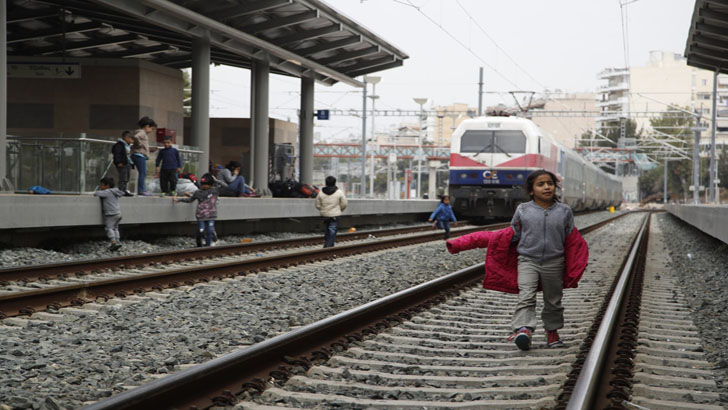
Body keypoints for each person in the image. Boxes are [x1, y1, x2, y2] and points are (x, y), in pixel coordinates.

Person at [445, 169, 588, 351]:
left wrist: (576, 263)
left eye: (549, 184)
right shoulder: (523, 210)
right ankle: (524, 329)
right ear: (531, 190)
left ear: (555, 187)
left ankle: (552, 332)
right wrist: (462, 243)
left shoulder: (564, 211)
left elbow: (571, 240)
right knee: (526, 296)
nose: (546, 187)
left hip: (554, 262)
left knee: (553, 300)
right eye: (540, 184)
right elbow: (511, 234)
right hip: (527, 260)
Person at [173, 174, 219, 247]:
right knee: (201, 230)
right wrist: (179, 200)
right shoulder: (198, 192)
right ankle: (199, 243)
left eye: (206, 184)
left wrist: (216, 180)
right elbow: (190, 199)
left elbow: (224, 186)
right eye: (203, 184)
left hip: (211, 215)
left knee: (210, 231)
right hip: (201, 215)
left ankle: (208, 247)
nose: (204, 186)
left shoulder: (214, 191)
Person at [315, 176, 348, 248]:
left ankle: (329, 244)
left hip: (324, 215)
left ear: (326, 183)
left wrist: (323, 209)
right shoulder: (339, 192)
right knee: (332, 229)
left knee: (327, 229)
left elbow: (317, 205)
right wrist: (340, 210)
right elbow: (344, 204)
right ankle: (328, 245)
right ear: (334, 183)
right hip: (335, 214)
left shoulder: (321, 193)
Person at [94, 177, 125, 251]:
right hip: (118, 213)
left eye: (102, 185)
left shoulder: (107, 192)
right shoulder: (116, 191)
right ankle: (118, 241)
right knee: (116, 228)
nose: (101, 187)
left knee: (109, 228)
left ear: (107, 185)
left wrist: (95, 192)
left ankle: (113, 242)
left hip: (110, 214)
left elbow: (97, 193)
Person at [131, 116, 157, 196]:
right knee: (143, 173)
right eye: (151, 129)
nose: (151, 131)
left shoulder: (141, 132)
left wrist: (149, 149)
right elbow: (136, 138)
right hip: (139, 155)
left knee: (142, 173)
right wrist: (139, 145)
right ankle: (142, 190)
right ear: (147, 126)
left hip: (138, 155)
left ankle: (142, 190)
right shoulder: (142, 132)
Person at [112, 130, 135, 196]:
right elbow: (117, 154)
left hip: (128, 163)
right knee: (123, 178)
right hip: (123, 164)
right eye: (131, 138)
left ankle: (124, 190)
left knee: (127, 178)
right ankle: (121, 190)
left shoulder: (128, 146)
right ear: (126, 138)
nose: (132, 140)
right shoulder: (120, 145)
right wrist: (118, 162)